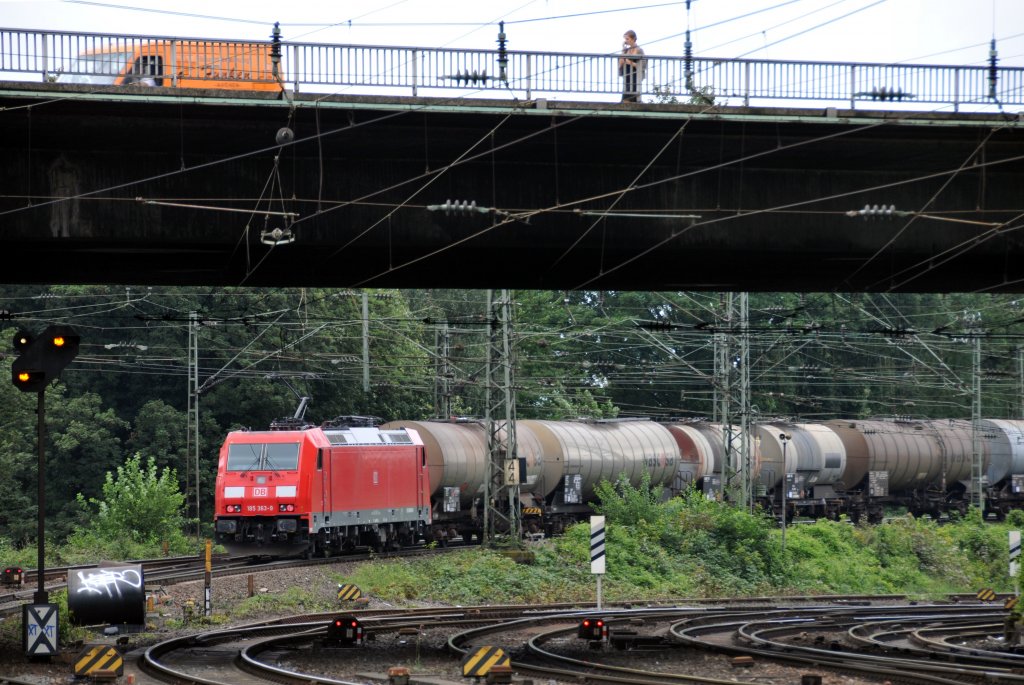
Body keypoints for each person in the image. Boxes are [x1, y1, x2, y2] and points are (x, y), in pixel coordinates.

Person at [618, 30, 645, 103]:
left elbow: (642, 66)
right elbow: (620, 64)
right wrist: (623, 50)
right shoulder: (626, 50)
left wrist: (629, 62)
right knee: (626, 96)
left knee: (629, 98)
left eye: (627, 39)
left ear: (633, 39)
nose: (626, 41)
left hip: (635, 76)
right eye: (625, 39)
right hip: (627, 76)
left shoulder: (639, 50)